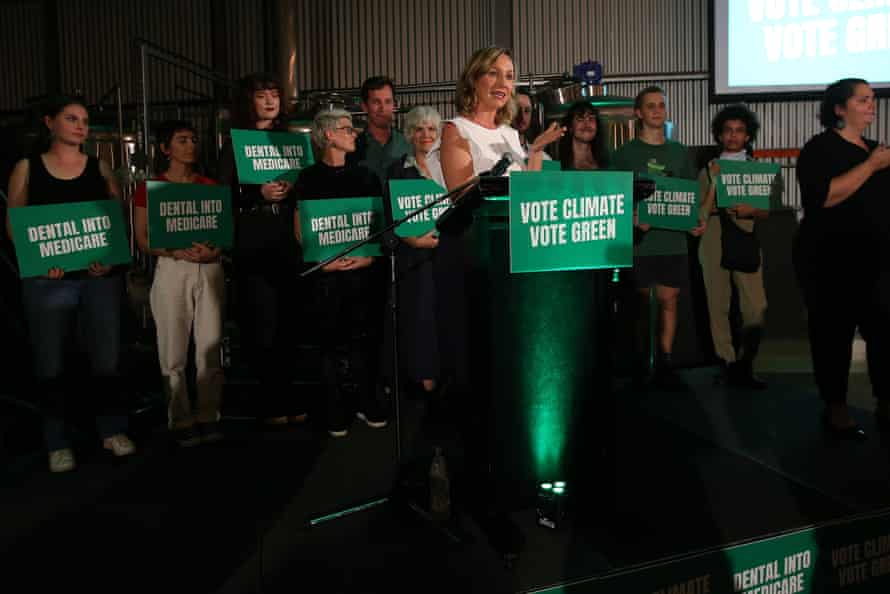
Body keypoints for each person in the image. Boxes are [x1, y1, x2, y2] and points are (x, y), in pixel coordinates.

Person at [5, 96, 135, 472]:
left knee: (107, 360)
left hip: (99, 279)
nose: (81, 126)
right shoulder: (27, 168)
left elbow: (115, 221)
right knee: (51, 364)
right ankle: (56, 442)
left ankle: (112, 430)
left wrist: (106, 260)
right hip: (48, 281)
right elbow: (15, 224)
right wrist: (42, 261)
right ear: (50, 123)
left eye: (85, 120)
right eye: (72, 118)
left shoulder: (100, 167)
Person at [794, 78, 890, 439]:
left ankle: (886, 402)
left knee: (885, 332)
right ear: (839, 108)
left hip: (877, 261)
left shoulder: (877, 150)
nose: (871, 105)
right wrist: (871, 166)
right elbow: (825, 197)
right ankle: (836, 409)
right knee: (832, 335)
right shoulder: (820, 149)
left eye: (873, 99)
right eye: (863, 99)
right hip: (830, 261)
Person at [218, 73, 306, 426]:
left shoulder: (290, 141)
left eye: (274, 95)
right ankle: (269, 401)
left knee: (289, 324)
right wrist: (258, 194)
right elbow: (222, 197)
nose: (270, 101)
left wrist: (292, 189)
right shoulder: (233, 145)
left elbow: (306, 186)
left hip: (288, 238)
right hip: (253, 241)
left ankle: (287, 396)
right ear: (248, 101)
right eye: (261, 95)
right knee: (262, 324)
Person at [295, 109, 387, 438]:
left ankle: (368, 401)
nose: (354, 134)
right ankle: (335, 410)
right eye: (347, 129)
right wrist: (323, 262)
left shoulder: (366, 177)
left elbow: (377, 225)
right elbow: (301, 228)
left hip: (362, 275)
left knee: (366, 340)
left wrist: (368, 259)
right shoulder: (307, 179)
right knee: (330, 343)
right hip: (326, 277)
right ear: (328, 135)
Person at [133, 120, 225, 446]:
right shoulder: (149, 189)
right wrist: (172, 250)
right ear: (165, 149)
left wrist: (214, 249)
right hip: (172, 266)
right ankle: (181, 417)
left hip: (209, 267)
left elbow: (222, 231)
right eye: (183, 140)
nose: (191, 145)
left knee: (210, 345)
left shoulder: (209, 185)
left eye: (194, 139)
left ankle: (209, 413)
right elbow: (142, 238)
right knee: (172, 348)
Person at [611, 86, 706, 390]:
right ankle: (643, 360)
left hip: (673, 240)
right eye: (650, 106)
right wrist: (631, 218)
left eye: (661, 106)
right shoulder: (624, 154)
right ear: (638, 113)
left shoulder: (679, 152)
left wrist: (695, 222)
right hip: (639, 242)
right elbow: (614, 197)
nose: (657, 110)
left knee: (669, 299)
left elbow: (691, 193)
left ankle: (664, 359)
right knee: (641, 303)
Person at [698, 105, 781, 390]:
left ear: (747, 136)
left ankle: (747, 362)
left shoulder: (757, 169)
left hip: (745, 239)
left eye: (739, 131)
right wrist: (715, 183)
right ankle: (727, 363)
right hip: (712, 239)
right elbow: (700, 212)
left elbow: (768, 210)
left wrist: (752, 210)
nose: (733, 136)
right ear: (720, 135)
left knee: (756, 307)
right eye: (728, 131)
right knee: (717, 305)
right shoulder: (708, 168)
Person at [381, 106, 446, 399]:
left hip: (447, 251)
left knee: (446, 312)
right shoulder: (397, 170)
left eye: (432, 129)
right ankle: (422, 378)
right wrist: (409, 240)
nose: (426, 135)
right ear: (409, 133)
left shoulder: (448, 165)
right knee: (419, 315)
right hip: (414, 255)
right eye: (419, 129)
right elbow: (389, 216)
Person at [346, 75, 410, 183]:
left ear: (394, 105)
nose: (383, 108)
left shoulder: (408, 144)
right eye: (376, 102)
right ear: (364, 106)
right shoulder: (352, 147)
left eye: (388, 101)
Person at [558, 99, 609, 171]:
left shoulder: (608, 166)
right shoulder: (557, 166)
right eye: (580, 119)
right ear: (570, 127)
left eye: (591, 119)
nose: (587, 124)